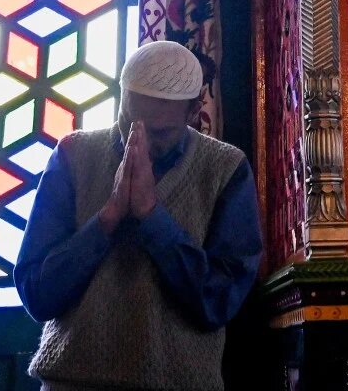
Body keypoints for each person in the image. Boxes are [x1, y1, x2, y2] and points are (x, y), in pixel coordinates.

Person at [16, 39, 262, 391]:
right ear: (122, 95)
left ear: (194, 110)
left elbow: (218, 301)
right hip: (71, 380)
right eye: (130, 120)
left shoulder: (225, 168)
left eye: (159, 131)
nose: (140, 138)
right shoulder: (74, 155)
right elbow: (37, 294)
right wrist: (108, 218)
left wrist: (151, 217)